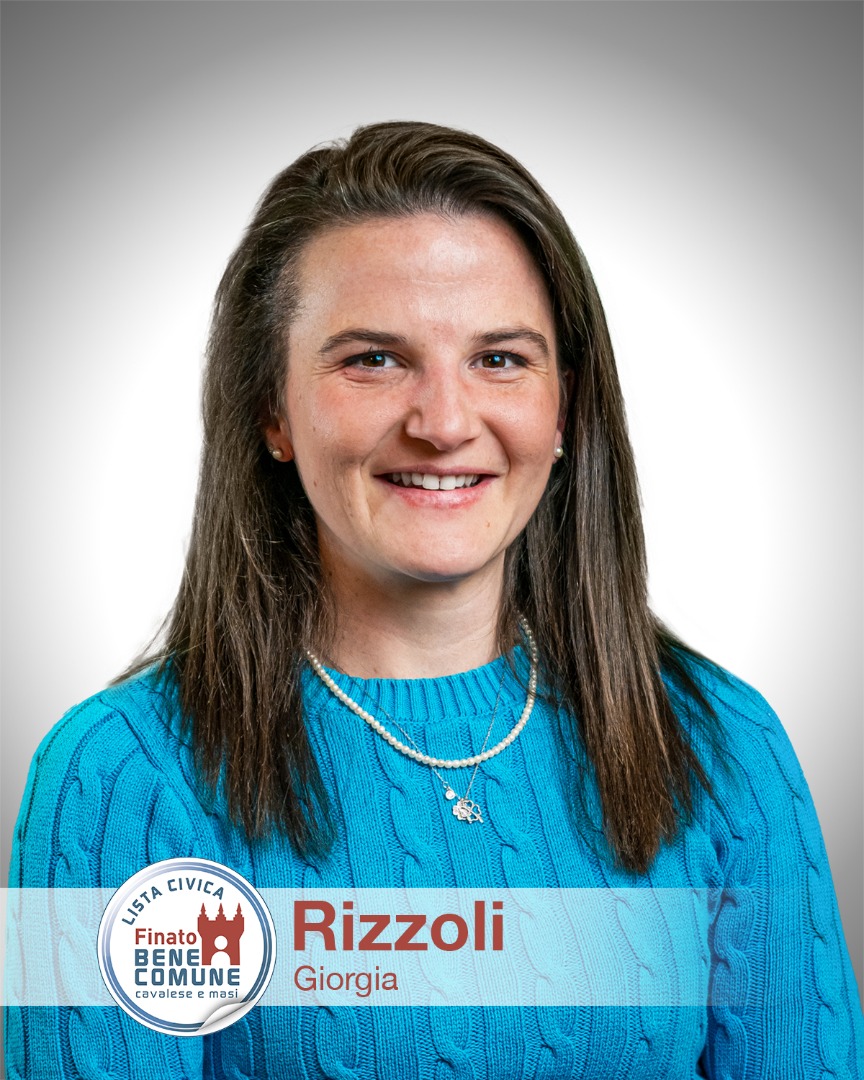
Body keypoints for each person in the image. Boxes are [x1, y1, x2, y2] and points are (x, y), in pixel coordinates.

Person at [7, 121, 862, 1078]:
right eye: (373, 359)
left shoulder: (723, 744)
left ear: (565, 406)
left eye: (500, 359)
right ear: (272, 411)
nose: (445, 423)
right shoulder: (123, 776)